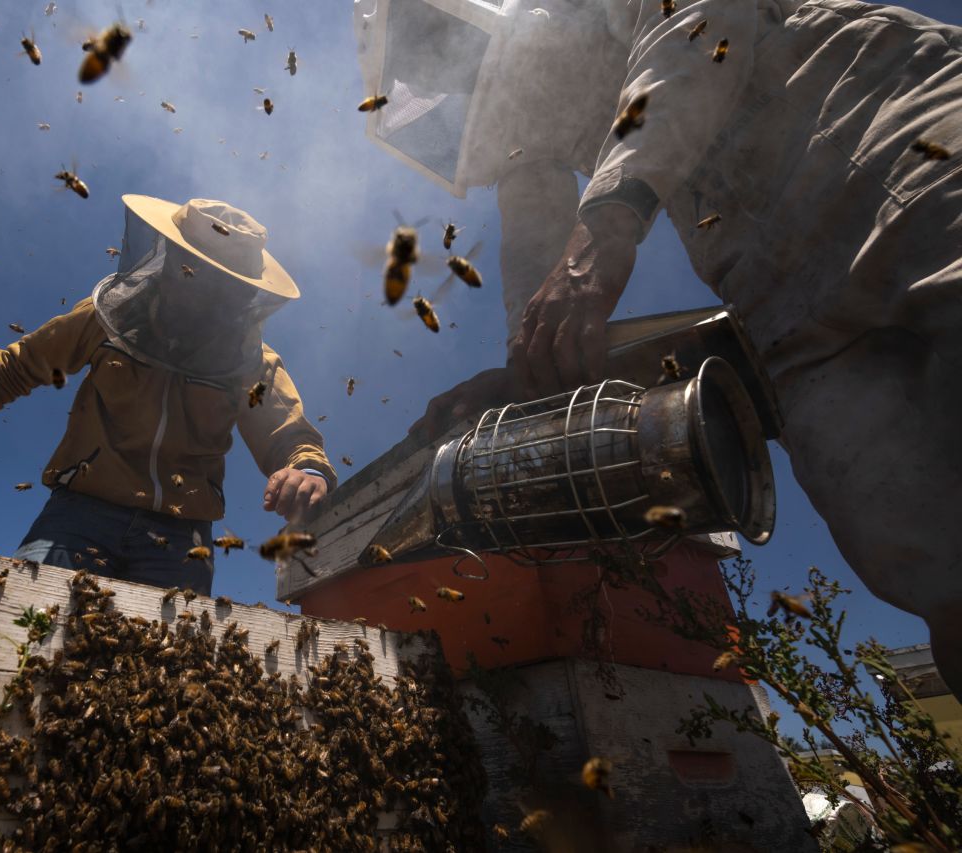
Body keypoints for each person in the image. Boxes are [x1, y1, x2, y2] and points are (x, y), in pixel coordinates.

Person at [354, 0, 962, 695]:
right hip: (766, 286)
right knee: (918, 546)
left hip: (883, 135)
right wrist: (527, 372)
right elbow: (536, 236)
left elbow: (699, 18)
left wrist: (610, 219)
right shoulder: (522, 123)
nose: (457, 87)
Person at [0, 195, 337, 595]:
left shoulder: (253, 363)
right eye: (194, 270)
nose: (202, 289)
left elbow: (288, 435)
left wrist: (308, 471)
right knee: (28, 627)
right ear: (169, 260)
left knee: (170, 661)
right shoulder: (103, 317)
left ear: (241, 293)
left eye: (220, 283)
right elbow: (17, 367)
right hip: (80, 513)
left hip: (181, 536)